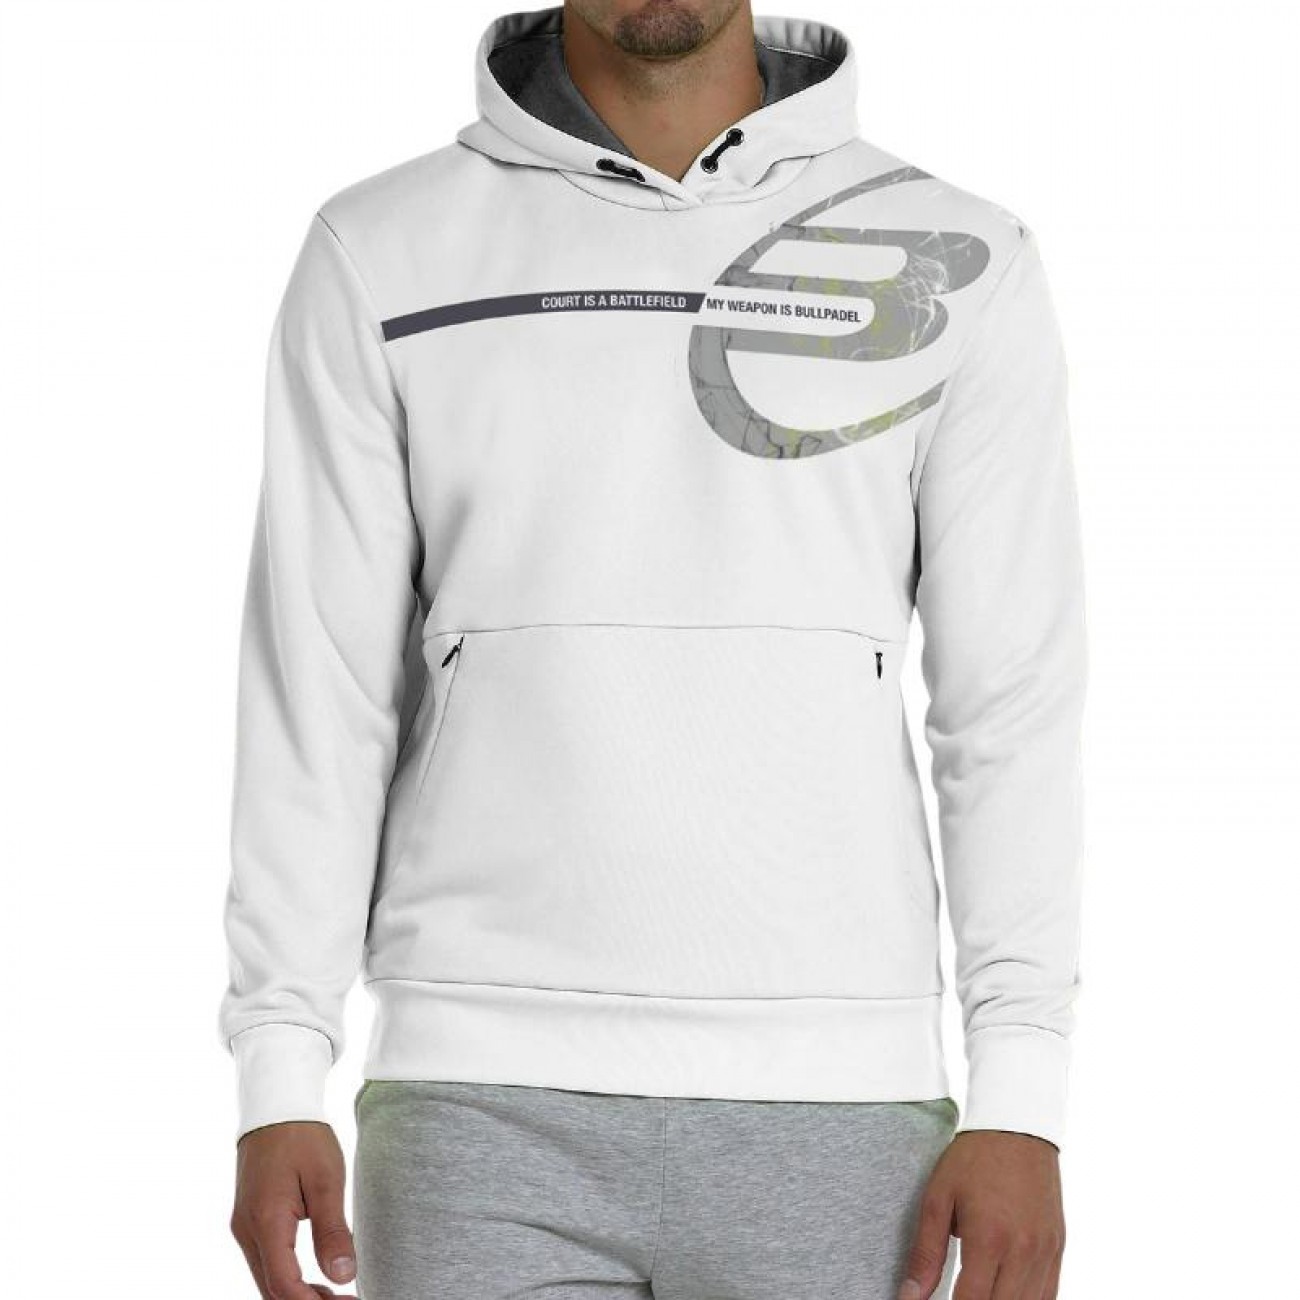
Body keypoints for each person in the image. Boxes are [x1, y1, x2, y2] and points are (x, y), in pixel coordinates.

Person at [220, 4, 1087, 1298]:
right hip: (478, 1087)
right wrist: (280, 1067)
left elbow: (1009, 707)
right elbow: (317, 691)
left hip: (837, 1092)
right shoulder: (383, 251)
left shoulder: (958, 255)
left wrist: (1021, 1096)